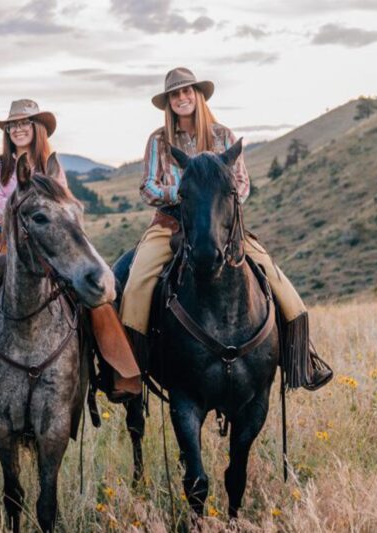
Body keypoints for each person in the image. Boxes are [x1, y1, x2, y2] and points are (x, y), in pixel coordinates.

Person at [120, 67, 332, 390]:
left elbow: (243, 183)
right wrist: (183, 194)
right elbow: (148, 187)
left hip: (221, 226)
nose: (181, 98)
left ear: (198, 95)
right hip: (170, 224)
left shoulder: (223, 136)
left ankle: (301, 359)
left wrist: (215, 201)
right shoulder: (159, 141)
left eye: (187, 91)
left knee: (277, 280)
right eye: (175, 94)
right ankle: (130, 373)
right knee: (136, 284)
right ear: (169, 103)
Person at [0, 99, 141, 410]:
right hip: (4, 241)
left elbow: (64, 208)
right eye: (12, 125)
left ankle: (116, 374)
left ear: (36, 128)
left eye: (24, 123)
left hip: (49, 242)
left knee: (97, 295)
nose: (18, 129)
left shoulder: (52, 167)